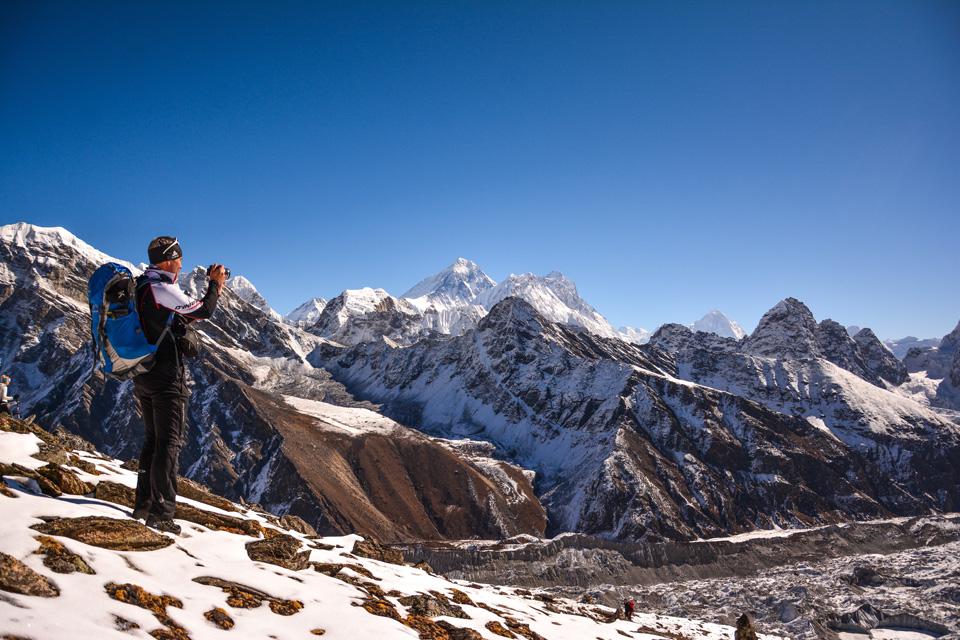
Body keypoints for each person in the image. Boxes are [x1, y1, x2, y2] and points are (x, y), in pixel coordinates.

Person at [132, 236, 227, 534]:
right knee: (168, 444)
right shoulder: (161, 286)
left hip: (143, 372)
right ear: (168, 260)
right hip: (165, 375)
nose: (182, 263)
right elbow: (202, 310)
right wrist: (216, 285)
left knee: (152, 440)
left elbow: (171, 317)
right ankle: (162, 514)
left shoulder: (141, 285)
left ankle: (143, 505)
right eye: (179, 258)